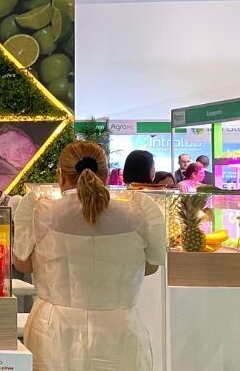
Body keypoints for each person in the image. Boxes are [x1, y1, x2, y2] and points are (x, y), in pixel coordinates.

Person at [13, 141, 166, 370]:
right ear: (106, 175)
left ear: (61, 176)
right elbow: (151, 266)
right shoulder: (140, 211)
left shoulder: (40, 211)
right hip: (119, 330)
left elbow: (23, 264)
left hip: (54, 329)